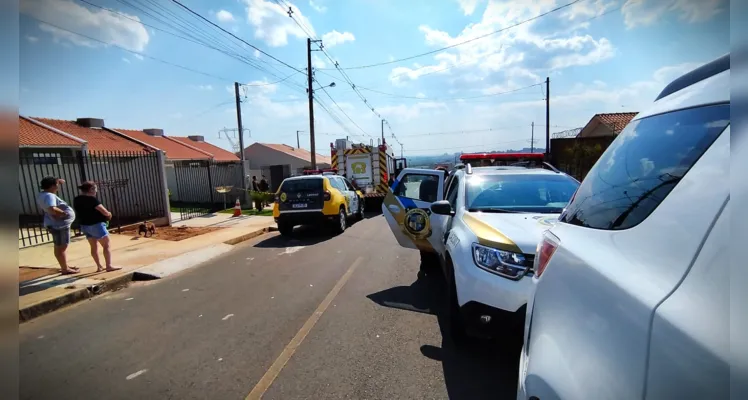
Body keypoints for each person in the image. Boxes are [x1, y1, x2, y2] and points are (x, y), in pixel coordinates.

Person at [73, 181, 121, 273]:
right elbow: (103, 211)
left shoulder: (77, 199)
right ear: (91, 189)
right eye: (95, 189)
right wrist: (109, 214)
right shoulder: (92, 200)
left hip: (85, 225)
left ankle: (99, 266)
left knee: (93, 247)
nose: (96, 191)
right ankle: (109, 266)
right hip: (96, 225)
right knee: (106, 245)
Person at [37, 176, 79, 275]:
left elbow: (50, 209)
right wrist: (64, 214)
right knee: (61, 248)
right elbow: (52, 209)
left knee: (59, 247)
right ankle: (65, 269)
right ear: (52, 186)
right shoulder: (49, 196)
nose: (58, 187)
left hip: (56, 224)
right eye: (57, 185)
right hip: (59, 226)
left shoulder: (42, 194)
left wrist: (58, 181)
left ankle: (65, 266)